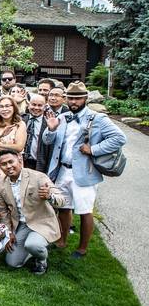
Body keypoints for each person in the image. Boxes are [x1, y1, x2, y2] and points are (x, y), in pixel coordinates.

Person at [42, 81, 127, 258]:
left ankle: (82, 248)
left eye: (78, 98)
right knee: (63, 207)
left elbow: (119, 138)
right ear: (66, 99)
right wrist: (50, 130)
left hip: (84, 172)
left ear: (86, 98)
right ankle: (62, 240)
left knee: (84, 210)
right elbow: (48, 141)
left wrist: (94, 150)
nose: (74, 102)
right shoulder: (63, 117)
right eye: (71, 98)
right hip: (62, 171)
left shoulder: (98, 118)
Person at [0, 148, 65, 275]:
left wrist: (50, 196)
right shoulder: (0, 184)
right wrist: (9, 232)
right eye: (4, 164)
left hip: (42, 222)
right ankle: (32, 248)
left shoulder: (38, 177)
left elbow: (62, 200)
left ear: (19, 160)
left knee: (33, 245)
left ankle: (41, 259)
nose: (8, 166)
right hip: (22, 225)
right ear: (0, 166)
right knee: (12, 263)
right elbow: (3, 212)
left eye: (11, 162)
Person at [22, 93, 48, 171]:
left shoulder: (48, 123)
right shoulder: (21, 119)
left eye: (40, 105)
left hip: (38, 164)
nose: (36, 108)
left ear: (45, 107)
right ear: (28, 105)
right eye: (33, 104)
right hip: (21, 161)